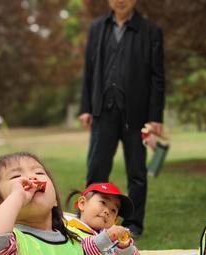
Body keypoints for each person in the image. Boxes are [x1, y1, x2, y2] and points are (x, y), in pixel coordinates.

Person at [79, 0, 165, 238]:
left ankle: (134, 222)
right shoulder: (97, 28)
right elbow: (89, 70)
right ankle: (90, 221)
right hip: (103, 112)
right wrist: (86, 107)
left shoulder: (150, 31)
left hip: (136, 116)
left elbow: (158, 77)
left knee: (136, 172)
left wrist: (155, 116)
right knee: (96, 169)